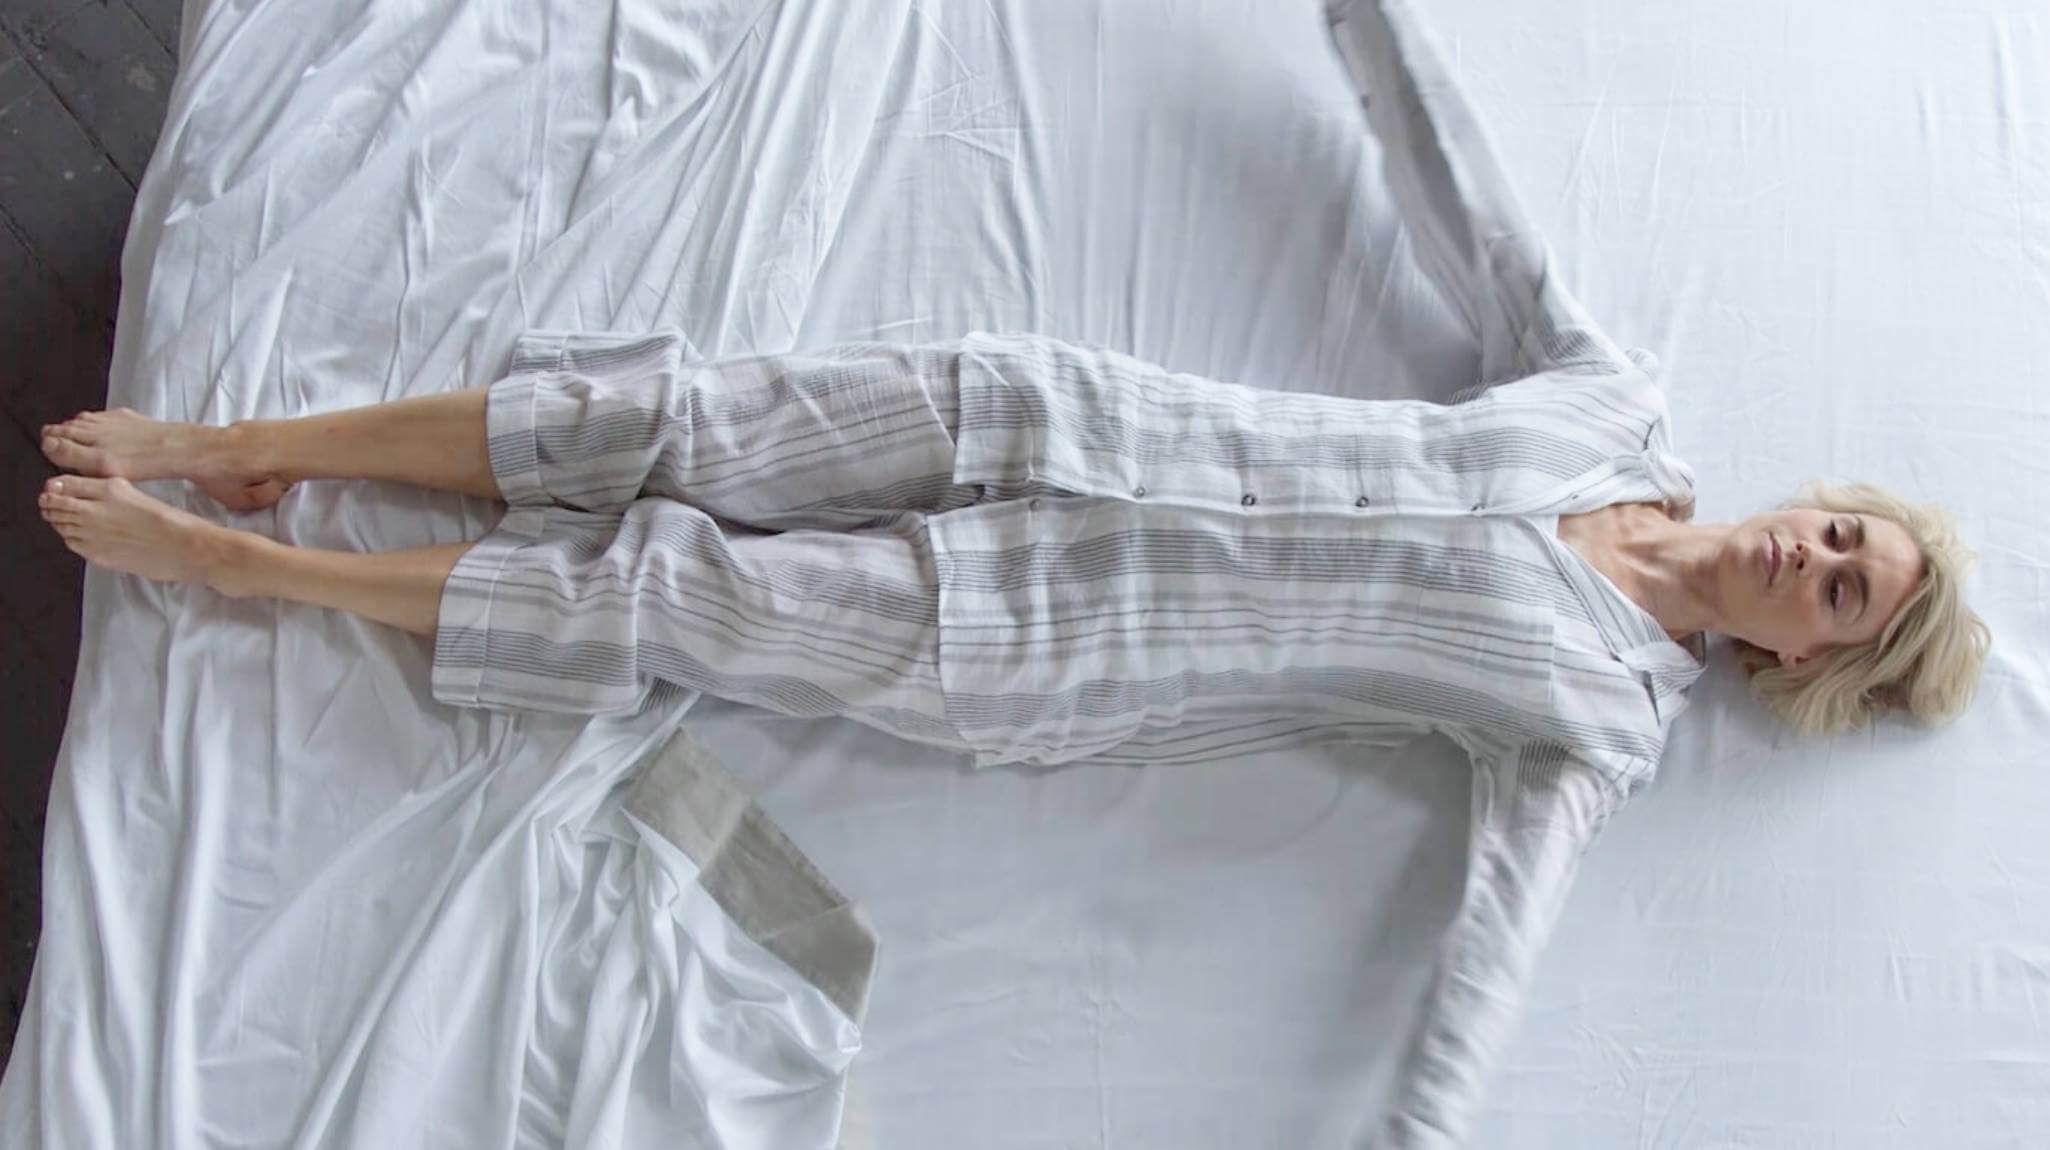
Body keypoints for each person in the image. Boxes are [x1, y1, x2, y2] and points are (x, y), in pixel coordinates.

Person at [32, 1, 1991, 1146]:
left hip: (1040, 645)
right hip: (1049, 415)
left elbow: (1476, 964)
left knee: (654, 608)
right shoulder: (1607, 413)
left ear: (1791, 664)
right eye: (1839, 530)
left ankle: (220, 560)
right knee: (676, 422)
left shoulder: (1592, 722)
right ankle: (233, 448)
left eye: (1834, 591)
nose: (1804, 553)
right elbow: (1461, 208)